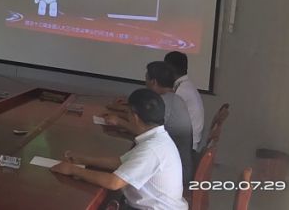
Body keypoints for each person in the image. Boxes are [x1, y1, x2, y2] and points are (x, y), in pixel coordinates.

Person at [51, 89, 188, 210]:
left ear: (134, 117)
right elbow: (120, 162)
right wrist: (83, 159)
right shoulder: (157, 138)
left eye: (128, 113)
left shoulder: (152, 149)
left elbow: (113, 183)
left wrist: (72, 170)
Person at [106, 62, 194, 183]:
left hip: (174, 172)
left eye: (146, 79)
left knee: (116, 166)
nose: (145, 83)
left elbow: (143, 128)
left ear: (153, 82)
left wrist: (118, 121)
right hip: (171, 164)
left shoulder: (164, 102)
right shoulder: (173, 98)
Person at [165, 51, 204, 155]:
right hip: (189, 141)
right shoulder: (186, 85)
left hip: (185, 147)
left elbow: (167, 118)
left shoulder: (181, 90)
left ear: (170, 69)